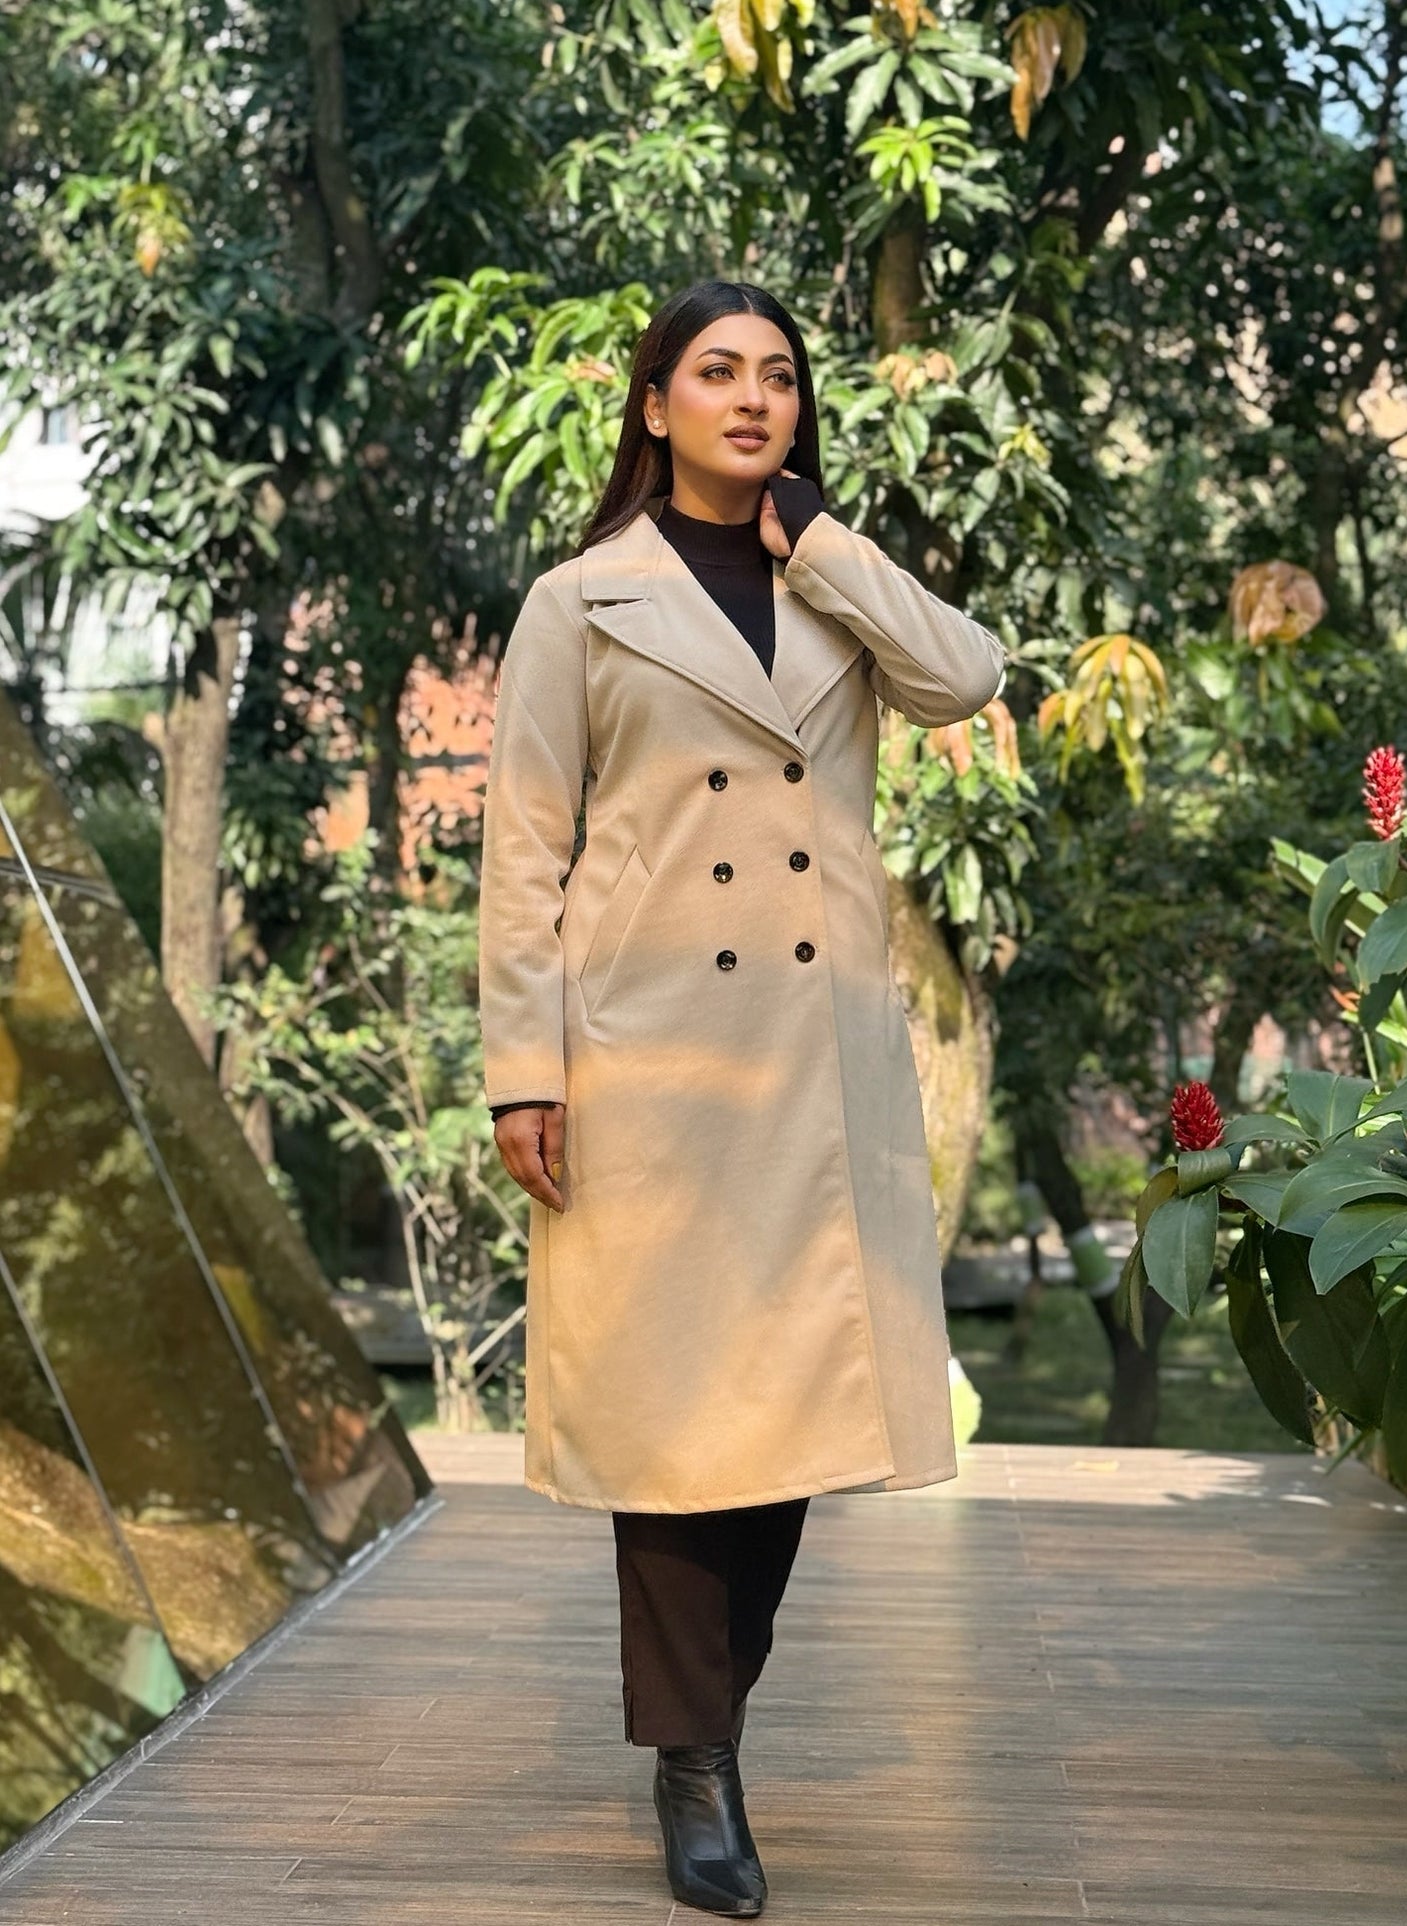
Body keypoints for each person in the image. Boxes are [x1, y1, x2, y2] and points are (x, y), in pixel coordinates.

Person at [477, 278, 1008, 1917]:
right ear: (653, 405)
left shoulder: (833, 587)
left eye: (777, 375)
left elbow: (968, 675)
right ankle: (697, 1767)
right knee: (667, 1417)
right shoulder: (581, 602)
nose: (751, 397)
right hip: (643, 1055)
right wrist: (521, 1070)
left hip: (810, 1058)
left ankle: (702, 1724)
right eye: (715, 372)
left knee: (781, 1412)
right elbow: (522, 849)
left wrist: (824, 543)